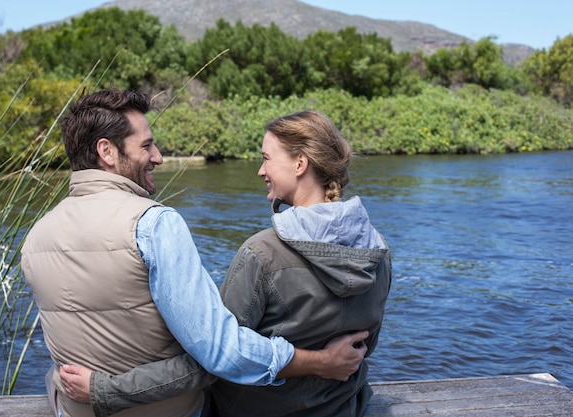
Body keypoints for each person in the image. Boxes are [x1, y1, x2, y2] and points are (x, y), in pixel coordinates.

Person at [21, 89, 369, 417]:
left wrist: (99, 390)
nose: (157, 156)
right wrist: (321, 362)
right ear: (107, 152)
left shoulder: (35, 238)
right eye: (147, 146)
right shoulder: (153, 224)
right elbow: (219, 352)